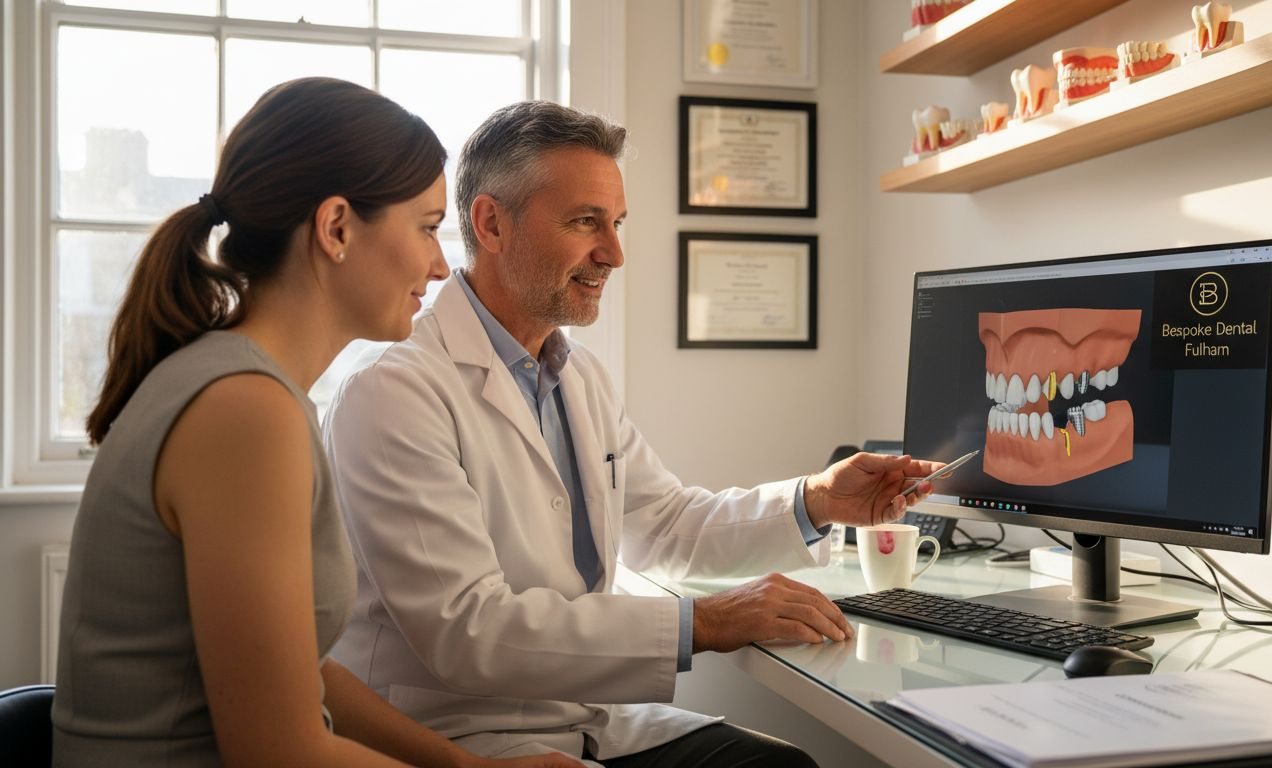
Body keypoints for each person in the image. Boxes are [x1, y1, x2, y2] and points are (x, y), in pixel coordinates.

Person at [322, 100, 941, 766]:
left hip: (587, 719)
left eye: (615, 223)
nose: (614, 253)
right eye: (586, 222)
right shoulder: (395, 391)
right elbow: (468, 630)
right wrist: (706, 622)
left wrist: (818, 500)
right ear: (492, 223)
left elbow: (667, 525)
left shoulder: (576, 375)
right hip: (455, 737)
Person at [52, 79, 580, 768]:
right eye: (424, 228)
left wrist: (465, 766)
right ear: (335, 228)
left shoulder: (245, 387)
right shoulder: (246, 412)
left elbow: (302, 673)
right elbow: (278, 751)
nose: (439, 264)